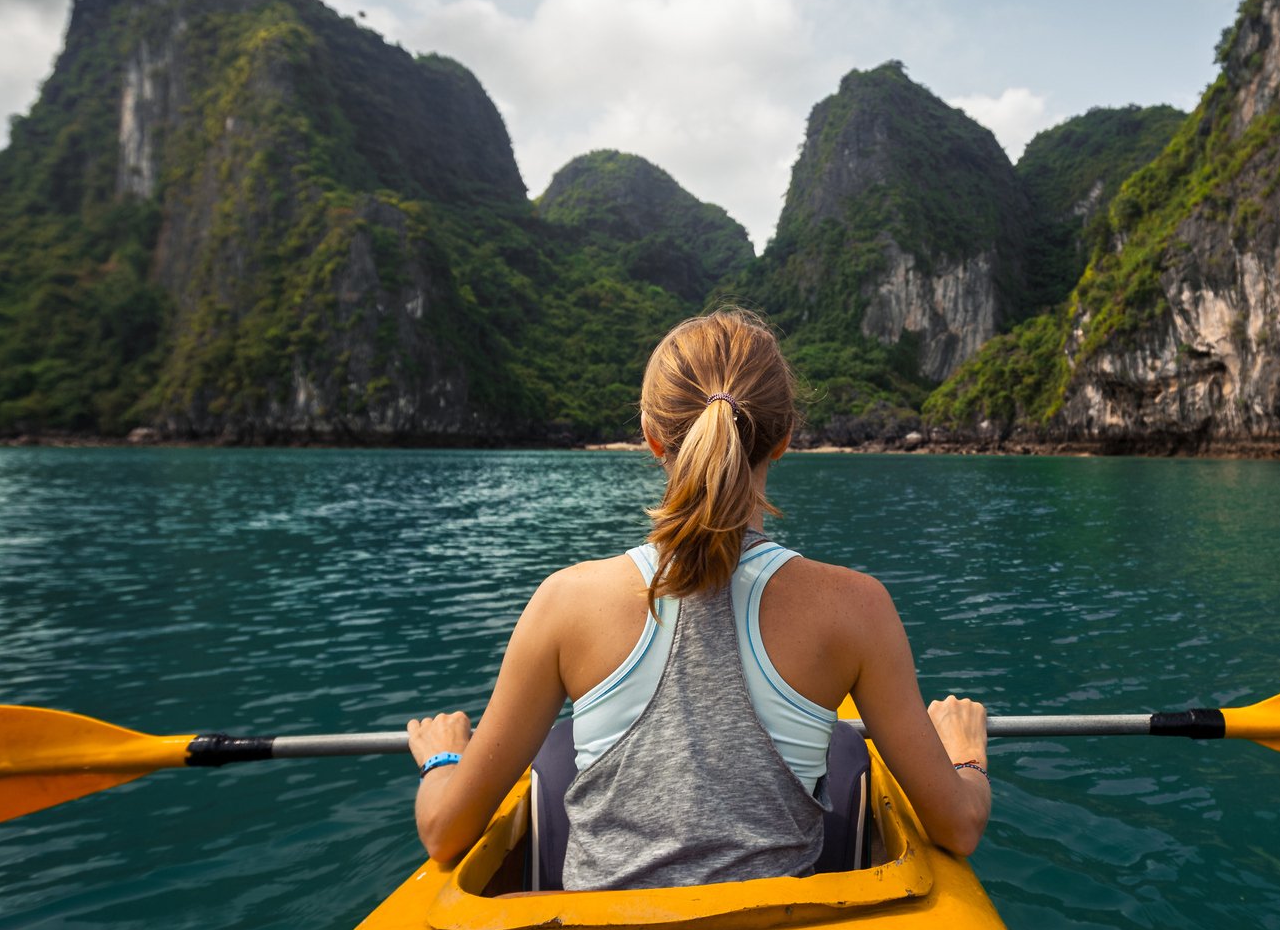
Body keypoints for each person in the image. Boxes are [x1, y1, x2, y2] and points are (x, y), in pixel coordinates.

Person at [405, 308, 990, 888]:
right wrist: (963, 754)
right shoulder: (855, 608)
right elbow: (958, 828)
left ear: (652, 437)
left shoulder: (566, 603)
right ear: (785, 437)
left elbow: (444, 833)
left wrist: (443, 761)